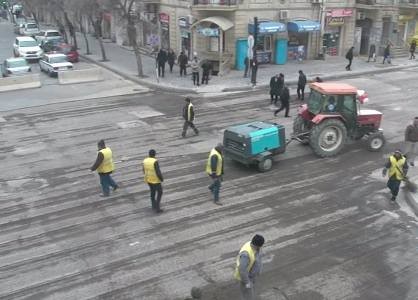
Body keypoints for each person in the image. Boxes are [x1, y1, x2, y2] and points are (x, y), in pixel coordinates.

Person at [234, 234, 265, 300]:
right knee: (248, 296)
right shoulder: (245, 254)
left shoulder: (253, 245)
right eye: (260, 246)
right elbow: (242, 270)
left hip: (252, 276)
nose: (261, 248)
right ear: (257, 245)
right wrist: (247, 282)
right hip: (246, 278)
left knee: (250, 293)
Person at [143, 149, 164, 213]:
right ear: (155, 154)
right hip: (155, 180)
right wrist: (161, 178)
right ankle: (157, 208)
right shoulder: (155, 161)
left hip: (148, 179)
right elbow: (158, 172)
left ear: (149, 154)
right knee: (160, 192)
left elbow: (143, 170)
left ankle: (153, 205)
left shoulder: (145, 160)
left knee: (152, 192)